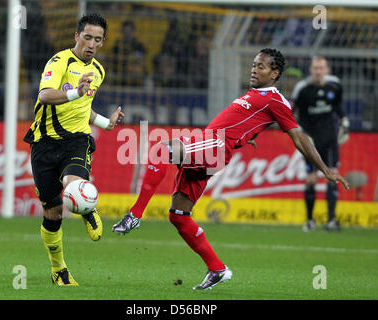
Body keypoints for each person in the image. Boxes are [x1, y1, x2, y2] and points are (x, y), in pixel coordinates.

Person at [112, 48, 349, 290]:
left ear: (275, 73)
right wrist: (246, 136)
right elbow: (247, 123)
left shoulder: (277, 100)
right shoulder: (255, 94)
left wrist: (325, 169)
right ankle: (217, 269)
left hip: (213, 148)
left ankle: (135, 215)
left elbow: (299, 137)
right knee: (179, 216)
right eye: (254, 65)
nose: (254, 69)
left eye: (261, 67)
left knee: (160, 150)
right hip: (210, 148)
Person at [23, 13, 124, 286]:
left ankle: (87, 209)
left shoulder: (99, 71)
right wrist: (75, 92)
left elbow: (83, 109)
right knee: (53, 212)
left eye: (98, 39)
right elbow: (44, 95)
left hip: (76, 140)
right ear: (76, 37)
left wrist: (106, 123)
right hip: (43, 142)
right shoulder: (59, 61)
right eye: (88, 37)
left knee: (72, 183)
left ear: (103, 42)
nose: (92, 43)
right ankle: (59, 269)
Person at [291, 56, 349, 232]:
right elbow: (291, 112)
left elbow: (337, 107)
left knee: (333, 176)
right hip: (310, 141)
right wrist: (300, 131)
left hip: (330, 139)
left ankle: (331, 220)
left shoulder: (335, 86)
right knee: (311, 179)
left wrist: (344, 122)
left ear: (327, 70)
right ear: (310, 70)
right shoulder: (302, 89)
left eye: (321, 68)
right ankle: (309, 220)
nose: (318, 71)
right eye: (315, 68)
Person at [111, 20, 146, 86]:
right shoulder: (117, 46)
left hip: (134, 74)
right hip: (120, 73)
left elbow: (141, 61)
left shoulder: (139, 46)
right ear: (122, 32)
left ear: (133, 32)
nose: (127, 33)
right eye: (125, 31)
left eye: (129, 31)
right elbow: (114, 61)